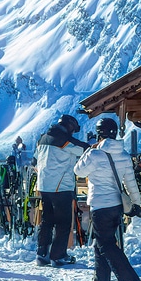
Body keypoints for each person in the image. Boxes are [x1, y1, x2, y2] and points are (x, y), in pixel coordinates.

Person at [73, 116, 141, 281]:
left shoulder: (94, 155)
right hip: (117, 206)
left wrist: (88, 151)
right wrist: (136, 204)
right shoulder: (124, 155)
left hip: (100, 205)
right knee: (101, 243)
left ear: (99, 135)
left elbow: (78, 171)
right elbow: (131, 183)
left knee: (106, 244)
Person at [34, 114, 87, 267]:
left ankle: (41, 253)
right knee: (63, 222)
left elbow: (34, 160)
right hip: (61, 186)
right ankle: (58, 256)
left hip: (43, 185)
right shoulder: (65, 140)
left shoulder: (42, 138)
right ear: (69, 126)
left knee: (47, 220)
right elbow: (84, 150)